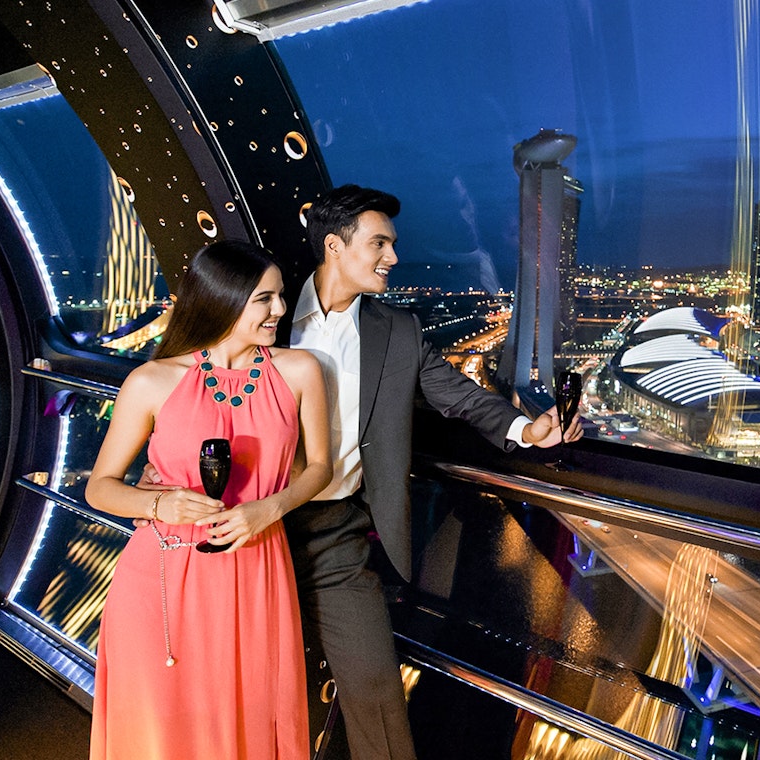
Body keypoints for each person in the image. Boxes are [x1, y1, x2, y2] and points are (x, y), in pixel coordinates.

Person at [143, 185, 582, 760]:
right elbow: (187, 382)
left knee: (376, 689)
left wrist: (528, 430)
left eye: (392, 245)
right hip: (241, 536)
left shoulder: (399, 332)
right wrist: (159, 475)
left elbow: (457, 396)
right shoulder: (261, 312)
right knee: (250, 693)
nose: (392, 258)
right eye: (380, 243)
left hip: (335, 536)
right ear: (334, 246)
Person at [85, 240, 331, 759]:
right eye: (264, 299)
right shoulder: (152, 381)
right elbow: (100, 486)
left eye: (280, 296)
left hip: (258, 562)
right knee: (166, 723)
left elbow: (319, 468)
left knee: (249, 712)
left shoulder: (300, 370)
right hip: (163, 575)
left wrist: (271, 507)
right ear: (223, 298)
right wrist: (159, 505)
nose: (281, 311)